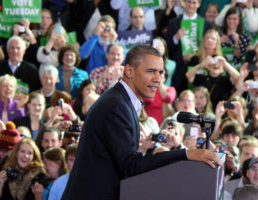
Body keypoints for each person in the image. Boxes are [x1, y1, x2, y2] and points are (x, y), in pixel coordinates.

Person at [61, 45, 222, 200]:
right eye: (150, 71)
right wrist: (186, 153)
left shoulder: (120, 100)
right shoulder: (116, 106)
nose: (157, 79)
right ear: (129, 71)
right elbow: (131, 165)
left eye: (160, 72)